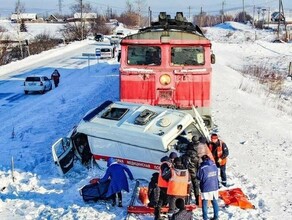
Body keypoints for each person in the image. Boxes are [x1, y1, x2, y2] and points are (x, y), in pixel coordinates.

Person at [196, 155, 219, 220]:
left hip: (206, 187)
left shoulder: (202, 168)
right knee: (214, 201)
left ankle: (205, 218)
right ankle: (216, 217)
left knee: (205, 203)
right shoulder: (214, 165)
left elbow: (198, 177)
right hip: (215, 186)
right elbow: (217, 174)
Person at [180, 135, 200, 205]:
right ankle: (198, 200)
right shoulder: (197, 157)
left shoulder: (185, 156)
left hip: (187, 173)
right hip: (194, 172)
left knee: (188, 187)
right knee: (196, 186)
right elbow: (199, 165)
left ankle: (187, 201)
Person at [155, 156, 172, 220]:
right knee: (162, 200)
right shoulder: (165, 164)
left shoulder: (163, 164)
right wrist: (170, 180)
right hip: (165, 185)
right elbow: (165, 175)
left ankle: (158, 213)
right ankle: (158, 214)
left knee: (162, 199)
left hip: (162, 184)